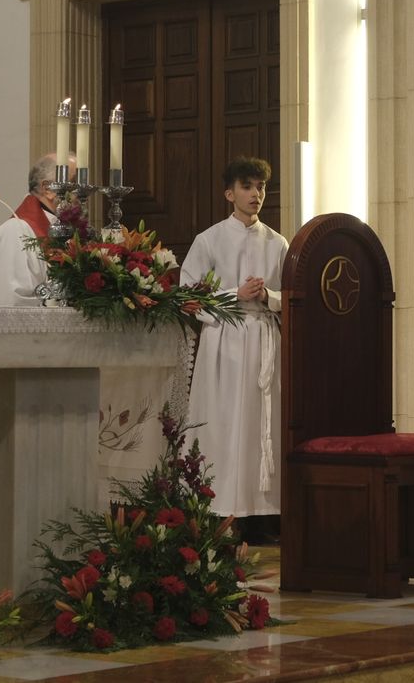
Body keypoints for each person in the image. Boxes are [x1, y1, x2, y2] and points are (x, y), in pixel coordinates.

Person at [180, 156, 289, 543]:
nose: (256, 194)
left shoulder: (278, 243)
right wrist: (234, 294)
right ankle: (219, 512)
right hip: (224, 342)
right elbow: (188, 295)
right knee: (224, 424)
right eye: (247, 186)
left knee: (262, 425)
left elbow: (292, 297)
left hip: (263, 340)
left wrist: (269, 296)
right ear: (229, 194)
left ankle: (263, 516)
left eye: (261, 187)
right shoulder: (209, 240)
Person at [0, 153, 70, 306]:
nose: (81, 193)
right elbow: (12, 304)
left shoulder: (67, 233)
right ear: (48, 189)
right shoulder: (17, 232)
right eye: (73, 183)